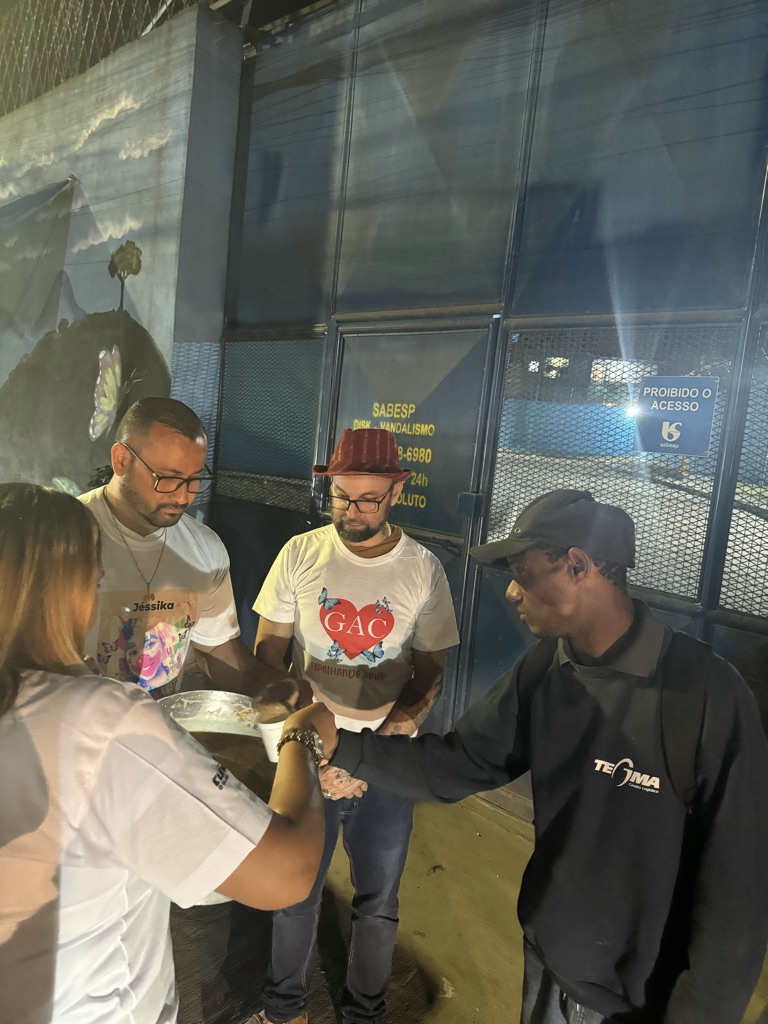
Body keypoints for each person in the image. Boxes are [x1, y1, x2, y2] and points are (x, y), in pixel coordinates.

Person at [314, 489, 768, 1024]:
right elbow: (460, 763)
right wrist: (344, 746)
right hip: (548, 966)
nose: (511, 591)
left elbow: (737, 893)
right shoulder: (545, 669)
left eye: (524, 574)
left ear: (578, 565)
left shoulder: (705, 694)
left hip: (637, 1002)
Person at [0, 483, 332, 1024]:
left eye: (192, 477)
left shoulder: (203, 550)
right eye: (92, 573)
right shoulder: (98, 721)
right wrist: (304, 739)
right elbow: (286, 873)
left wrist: (261, 680)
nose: (181, 490)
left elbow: (224, 652)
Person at [251, 427, 460, 1024]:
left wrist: (370, 757)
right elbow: (269, 652)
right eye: (342, 496)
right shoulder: (300, 554)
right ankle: (283, 1011)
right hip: (308, 753)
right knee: (294, 888)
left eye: (369, 499)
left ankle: (364, 1013)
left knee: (378, 902)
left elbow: (429, 672)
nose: (352, 511)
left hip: (388, 763)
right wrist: (304, 740)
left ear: (396, 493)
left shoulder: (423, 570)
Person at [79, 397, 284, 700]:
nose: (183, 496)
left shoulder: (205, 549)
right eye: (168, 478)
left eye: (194, 479)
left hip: (163, 724)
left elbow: (215, 648)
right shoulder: (63, 538)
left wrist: (271, 686)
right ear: (121, 460)